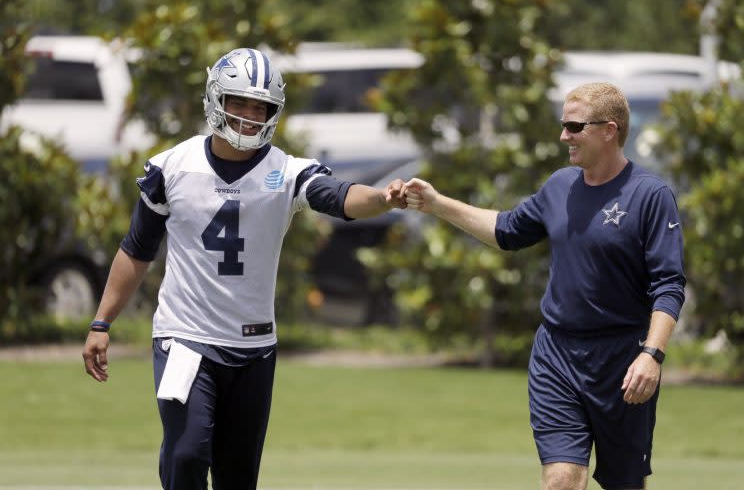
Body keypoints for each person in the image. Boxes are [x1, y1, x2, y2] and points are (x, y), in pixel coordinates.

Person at [82, 47, 408, 490]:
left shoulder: (287, 171)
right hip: (186, 338)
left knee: (237, 478)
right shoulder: (172, 167)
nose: (250, 116)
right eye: (239, 103)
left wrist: (383, 198)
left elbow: (339, 195)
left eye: (261, 108)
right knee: (186, 454)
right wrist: (102, 321)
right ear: (216, 99)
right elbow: (137, 249)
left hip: (253, 346)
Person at [403, 82, 685, 490]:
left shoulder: (651, 195)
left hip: (622, 362)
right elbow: (506, 230)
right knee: (561, 480)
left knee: (625, 483)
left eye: (574, 126)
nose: (563, 136)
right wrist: (436, 203)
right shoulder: (560, 185)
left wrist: (652, 355)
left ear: (609, 130)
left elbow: (669, 285)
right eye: (563, 125)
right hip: (557, 356)